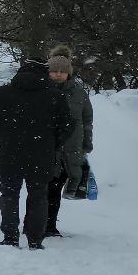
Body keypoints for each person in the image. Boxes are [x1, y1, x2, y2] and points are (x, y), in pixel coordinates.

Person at [0, 58, 74, 250]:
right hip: (41, 153)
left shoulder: (1, 93)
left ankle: (10, 237)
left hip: (9, 152)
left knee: (9, 194)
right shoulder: (55, 96)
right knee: (39, 195)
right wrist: (51, 143)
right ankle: (35, 240)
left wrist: (3, 138)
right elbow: (67, 125)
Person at [46, 48, 94, 233]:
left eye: (62, 71)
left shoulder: (79, 94)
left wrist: (86, 144)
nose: (58, 75)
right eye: (54, 71)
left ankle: (50, 226)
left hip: (71, 150)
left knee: (56, 190)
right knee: (43, 190)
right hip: (47, 149)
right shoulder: (42, 91)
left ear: (69, 73)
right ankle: (35, 224)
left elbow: (87, 120)